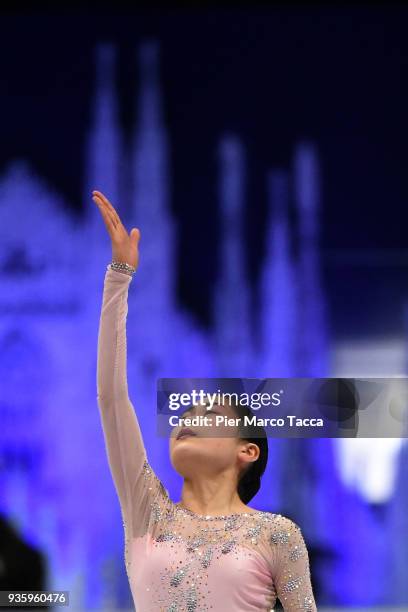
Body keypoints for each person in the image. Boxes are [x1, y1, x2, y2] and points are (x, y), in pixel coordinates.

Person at [92, 189, 317, 611]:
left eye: (210, 413)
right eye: (184, 413)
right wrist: (119, 275)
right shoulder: (148, 514)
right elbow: (111, 397)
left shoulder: (278, 535)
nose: (186, 420)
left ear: (247, 450)